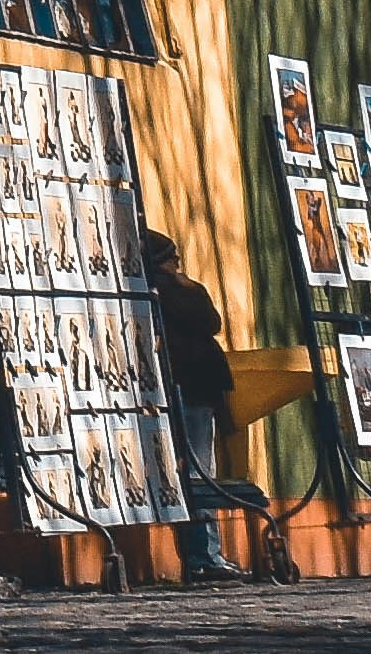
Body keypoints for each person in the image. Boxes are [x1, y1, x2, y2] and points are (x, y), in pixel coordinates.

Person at [141, 228, 245, 582]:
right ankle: (205, 554)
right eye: (175, 259)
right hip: (192, 389)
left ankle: (199, 553)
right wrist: (183, 282)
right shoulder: (176, 291)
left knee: (181, 470)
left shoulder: (145, 293)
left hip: (169, 388)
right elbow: (211, 321)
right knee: (200, 471)